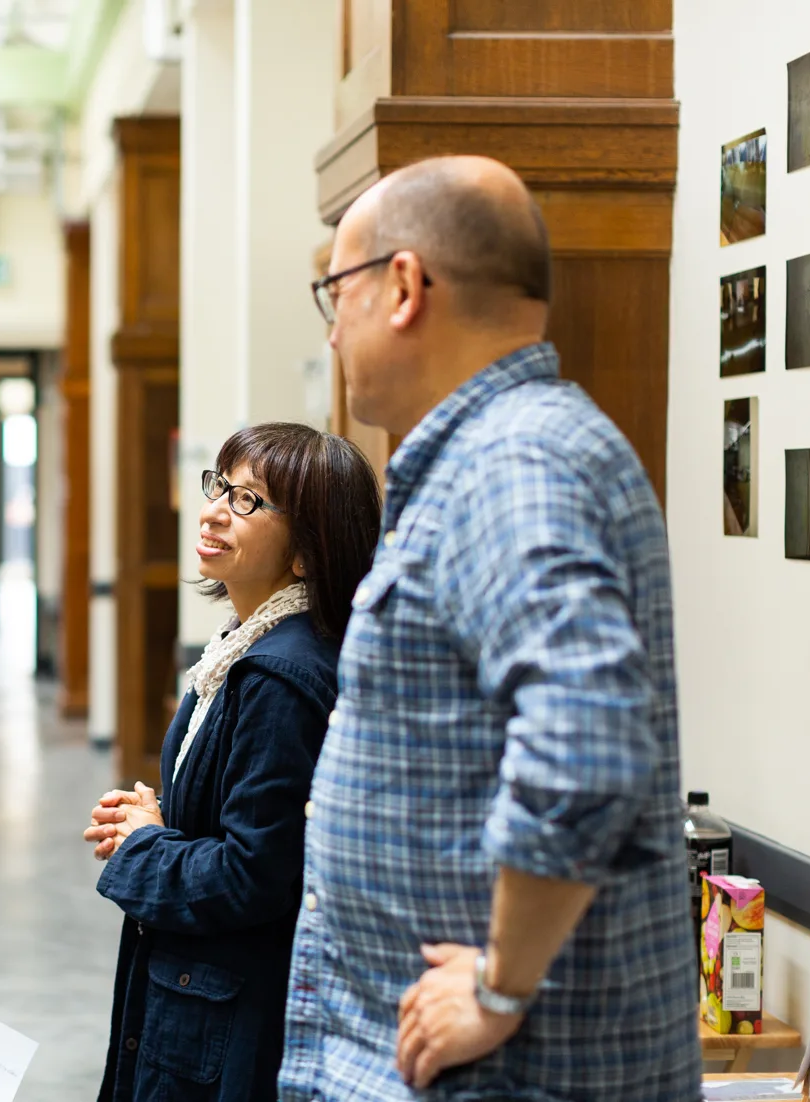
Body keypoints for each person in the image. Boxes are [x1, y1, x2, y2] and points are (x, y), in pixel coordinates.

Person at [280, 156, 699, 1101]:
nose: (332, 329)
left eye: (333, 292)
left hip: (506, 1071)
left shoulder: (513, 462)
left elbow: (583, 749)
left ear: (401, 285)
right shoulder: (505, 449)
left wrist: (501, 987)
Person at [83, 422, 383, 1102]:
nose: (215, 508)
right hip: (205, 1003)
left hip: (227, 1025)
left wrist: (142, 844)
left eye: (249, 501)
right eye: (219, 484)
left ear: (306, 552)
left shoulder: (280, 676)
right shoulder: (242, 650)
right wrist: (157, 825)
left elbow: (256, 875)